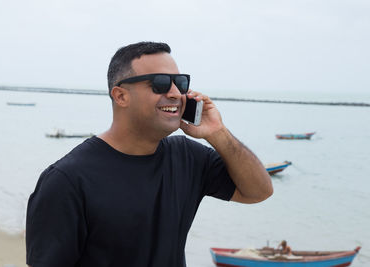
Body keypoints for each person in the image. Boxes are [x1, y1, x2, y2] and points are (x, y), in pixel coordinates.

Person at [25, 41, 273, 267]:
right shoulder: (67, 180)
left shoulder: (188, 158)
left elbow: (258, 191)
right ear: (121, 96)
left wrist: (218, 133)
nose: (176, 93)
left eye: (181, 83)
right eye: (161, 83)